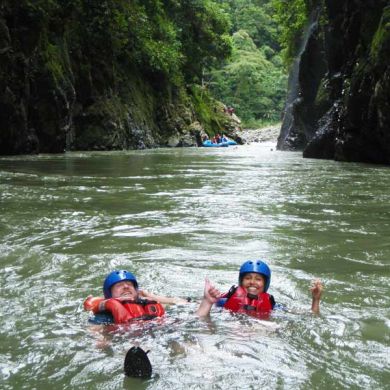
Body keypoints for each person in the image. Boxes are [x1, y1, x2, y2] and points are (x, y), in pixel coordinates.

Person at [196, 260, 323, 318]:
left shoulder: (273, 306)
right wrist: (206, 301)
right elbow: (195, 309)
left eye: (258, 279)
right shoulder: (224, 301)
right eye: (248, 278)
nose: (252, 282)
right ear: (241, 281)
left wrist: (315, 300)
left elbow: (311, 315)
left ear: (265, 283)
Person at [84, 270, 188, 324]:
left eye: (129, 284)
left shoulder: (148, 304)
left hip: (159, 331)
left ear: (137, 291)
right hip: (127, 338)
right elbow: (95, 333)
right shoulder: (105, 316)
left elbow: (182, 303)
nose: (125, 286)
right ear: (109, 295)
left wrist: (149, 295)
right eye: (119, 285)